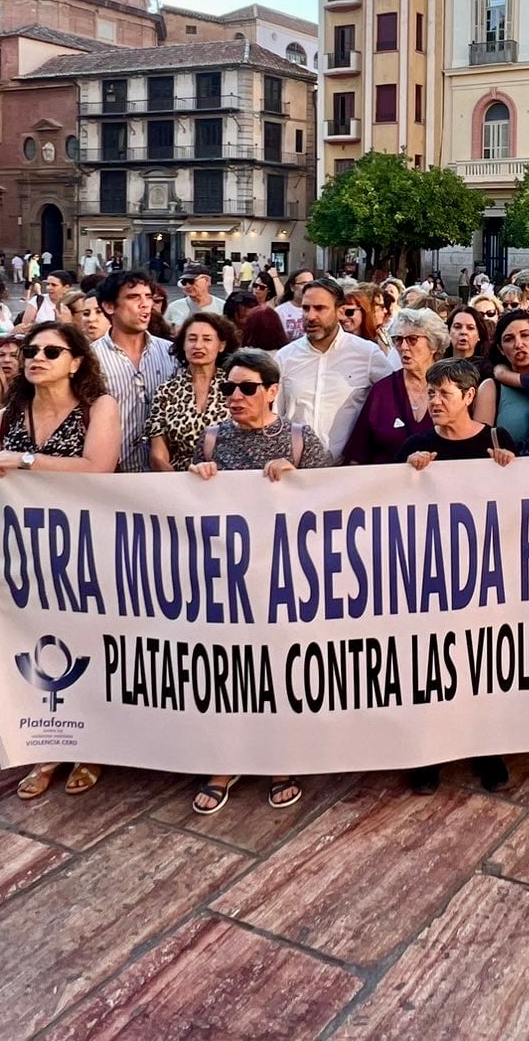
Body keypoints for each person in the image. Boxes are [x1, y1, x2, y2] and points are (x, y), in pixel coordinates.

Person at [0, 322, 122, 796]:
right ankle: (49, 745)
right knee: (36, 643)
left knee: (89, 643)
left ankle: (94, 746)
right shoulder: (6, 417)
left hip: (86, 543)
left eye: (52, 352)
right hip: (23, 549)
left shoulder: (98, 408)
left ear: (76, 361)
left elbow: (99, 467)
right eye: (32, 350)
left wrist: (29, 461)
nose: (38, 358)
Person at [188, 347, 334, 813]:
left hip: (284, 577)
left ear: (272, 392)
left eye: (247, 388)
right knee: (227, 667)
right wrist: (195, 476)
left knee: (279, 666)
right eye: (228, 387)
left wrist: (299, 479)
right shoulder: (211, 440)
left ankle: (279, 758)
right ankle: (224, 762)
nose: (235, 396)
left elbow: (335, 500)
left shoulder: (298, 440)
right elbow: (183, 504)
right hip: (225, 578)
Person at [396, 357, 519, 792]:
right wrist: (407, 472)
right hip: (429, 576)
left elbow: (515, 504)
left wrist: (507, 464)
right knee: (430, 664)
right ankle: (430, 755)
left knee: (480, 663)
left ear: (469, 397)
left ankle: (486, 749)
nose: (435, 401)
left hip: (481, 575)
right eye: (430, 392)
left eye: (444, 393)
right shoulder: (416, 444)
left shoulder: (495, 438)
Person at [274, 277, 397, 457]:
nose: (310, 316)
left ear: (340, 312)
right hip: (294, 469)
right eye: (306, 308)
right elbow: (275, 415)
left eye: (320, 308)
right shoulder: (285, 357)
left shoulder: (367, 354)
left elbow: (393, 399)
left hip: (347, 469)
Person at [92, 271, 178, 474]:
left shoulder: (172, 353)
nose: (145, 304)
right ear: (109, 306)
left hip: (166, 476)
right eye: (134, 297)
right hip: (114, 477)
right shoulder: (90, 358)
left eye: (148, 297)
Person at [341, 307, 443, 465]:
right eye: (398, 340)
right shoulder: (382, 391)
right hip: (388, 484)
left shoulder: (450, 388)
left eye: (412, 339)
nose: (403, 347)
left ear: (433, 344)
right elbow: (358, 454)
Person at [145, 312, 235, 473]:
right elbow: (158, 455)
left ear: (221, 345)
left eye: (207, 339)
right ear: (183, 344)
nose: (198, 346)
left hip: (228, 479)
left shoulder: (235, 388)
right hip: (180, 482)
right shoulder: (166, 392)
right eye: (192, 339)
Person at [475, 310, 529, 446]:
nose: (518, 344)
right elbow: (480, 444)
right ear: (501, 349)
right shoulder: (491, 388)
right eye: (509, 339)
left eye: (525, 335)